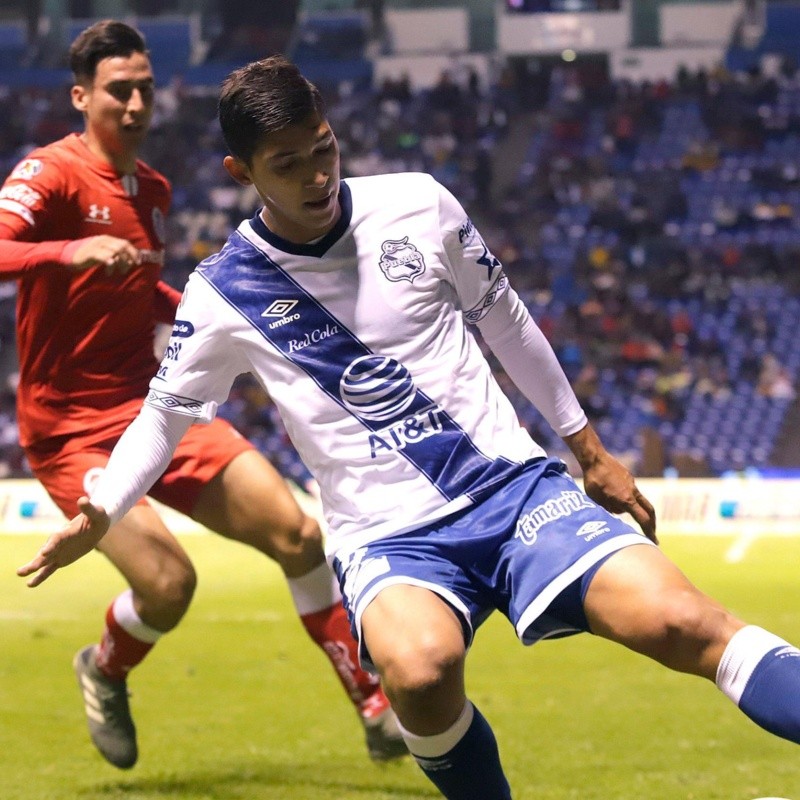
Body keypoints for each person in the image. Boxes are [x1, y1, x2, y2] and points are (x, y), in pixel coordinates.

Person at [18, 55, 800, 798]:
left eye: (322, 149)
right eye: (287, 164)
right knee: (420, 674)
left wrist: (587, 449)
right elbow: (165, 416)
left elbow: (508, 322)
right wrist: (104, 508)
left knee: (686, 621)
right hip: (388, 537)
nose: (316, 176)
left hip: (515, 492)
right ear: (242, 173)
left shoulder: (419, 204)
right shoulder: (224, 293)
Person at [3, 23, 406, 770]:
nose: (134, 103)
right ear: (81, 96)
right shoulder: (50, 174)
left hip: (155, 406)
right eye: (118, 90)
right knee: (167, 585)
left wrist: (206, 314)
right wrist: (67, 250)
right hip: (71, 430)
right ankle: (105, 666)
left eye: (145, 89)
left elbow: (139, 295)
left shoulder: (151, 188)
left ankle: (374, 705)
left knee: (297, 534)